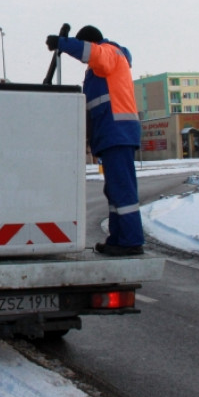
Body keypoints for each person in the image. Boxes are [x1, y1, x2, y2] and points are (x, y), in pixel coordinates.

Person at [47, 24, 145, 256]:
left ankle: (130, 240)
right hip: (111, 135)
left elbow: (93, 53)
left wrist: (63, 43)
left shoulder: (109, 53)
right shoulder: (99, 70)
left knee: (122, 190)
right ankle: (119, 239)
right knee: (115, 191)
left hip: (117, 133)